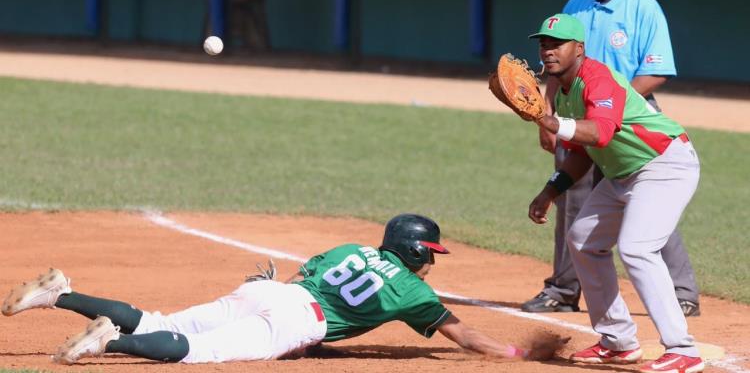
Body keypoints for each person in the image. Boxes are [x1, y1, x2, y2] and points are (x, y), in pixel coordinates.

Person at [1, 214, 563, 365]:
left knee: (159, 318)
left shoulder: (348, 248)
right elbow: (465, 337)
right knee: (201, 352)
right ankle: (107, 343)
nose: (431, 262)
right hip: (297, 322)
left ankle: (61, 294)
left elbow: (302, 280)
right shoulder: (413, 295)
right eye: (431, 253)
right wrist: (514, 352)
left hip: (272, 294)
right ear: (417, 250)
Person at [523, 0, 701, 317]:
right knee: (573, 203)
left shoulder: (644, 8)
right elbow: (557, 66)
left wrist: (613, 108)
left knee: (646, 201)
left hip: (629, 119)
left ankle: (682, 290)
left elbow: (657, 70)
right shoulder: (576, 5)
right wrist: (547, 116)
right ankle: (563, 290)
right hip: (574, 118)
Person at [527, 13, 704, 373]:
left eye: (556, 43)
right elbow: (581, 152)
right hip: (624, 173)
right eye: (543, 43)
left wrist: (552, 123)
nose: (548, 50)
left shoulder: (598, 78)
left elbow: (601, 133)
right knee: (582, 240)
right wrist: (551, 190)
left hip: (663, 163)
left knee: (638, 248)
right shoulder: (562, 92)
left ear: (579, 49)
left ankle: (683, 348)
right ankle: (618, 340)